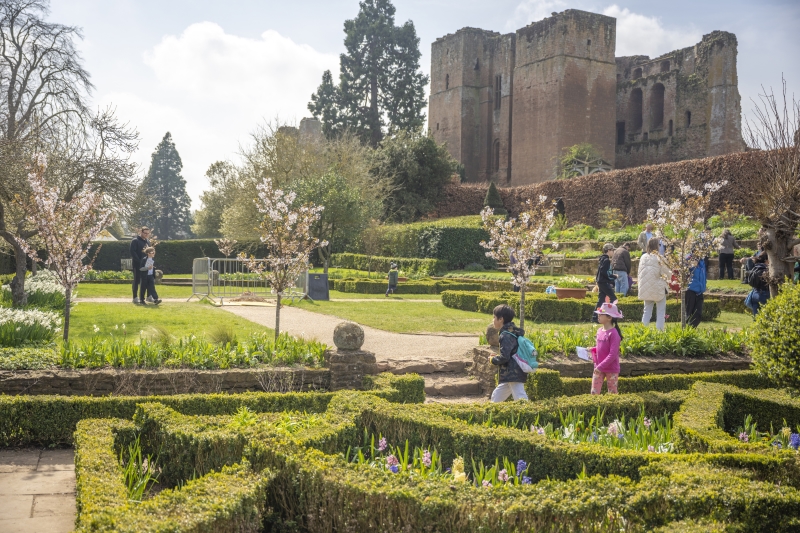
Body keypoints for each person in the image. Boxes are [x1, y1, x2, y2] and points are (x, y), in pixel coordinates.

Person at [490, 304, 528, 402]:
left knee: (520, 398)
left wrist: (493, 359)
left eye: (494, 317)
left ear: (501, 319)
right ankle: (491, 414)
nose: (493, 320)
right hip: (513, 372)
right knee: (496, 396)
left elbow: (505, 357)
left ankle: (530, 414)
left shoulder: (505, 335)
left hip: (513, 373)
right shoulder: (512, 332)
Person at [589, 300, 623, 395]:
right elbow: (601, 347)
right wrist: (593, 349)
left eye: (601, 314)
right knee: (594, 393)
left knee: (612, 393)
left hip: (611, 369)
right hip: (598, 367)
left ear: (609, 317)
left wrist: (600, 367)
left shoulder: (614, 334)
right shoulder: (599, 330)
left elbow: (612, 354)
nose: (598, 316)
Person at [637, 237, 670, 331]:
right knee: (660, 312)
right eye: (659, 245)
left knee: (646, 311)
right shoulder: (660, 258)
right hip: (658, 288)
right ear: (657, 246)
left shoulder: (643, 257)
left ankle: (643, 331)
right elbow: (667, 273)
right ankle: (660, 332)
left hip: (646, 288)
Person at [593, 243, 618, 323]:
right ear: (608, 250)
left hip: (600, 281)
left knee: (601, 300)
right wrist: (613, 277)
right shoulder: (606, 260)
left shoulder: (602, 259)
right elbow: (605, 272)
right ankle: (609, 315)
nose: (613, 252)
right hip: (603, 282)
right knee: (613, 298)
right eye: (612, 250)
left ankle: (595, 318)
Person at [130, 226, 150, 304]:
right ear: (141, 232)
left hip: (146, 265)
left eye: (148, 233)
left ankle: (147, 296)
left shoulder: (148, 241)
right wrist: (139, 261)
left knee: (146, 280)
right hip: (137, 264)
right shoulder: (135, 241)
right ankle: (135, 297)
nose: (146, 235)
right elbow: (133, 252)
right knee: (136, 280)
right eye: (145, 233)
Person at [685, 257, 707, 327]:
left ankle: (691, 331)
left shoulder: (702, 261)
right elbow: (683, 270)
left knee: (698, 315)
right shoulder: (689, 259)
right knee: (688, 315)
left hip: (700, 292)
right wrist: (689, 263)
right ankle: (686, 332)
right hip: (690, 291)